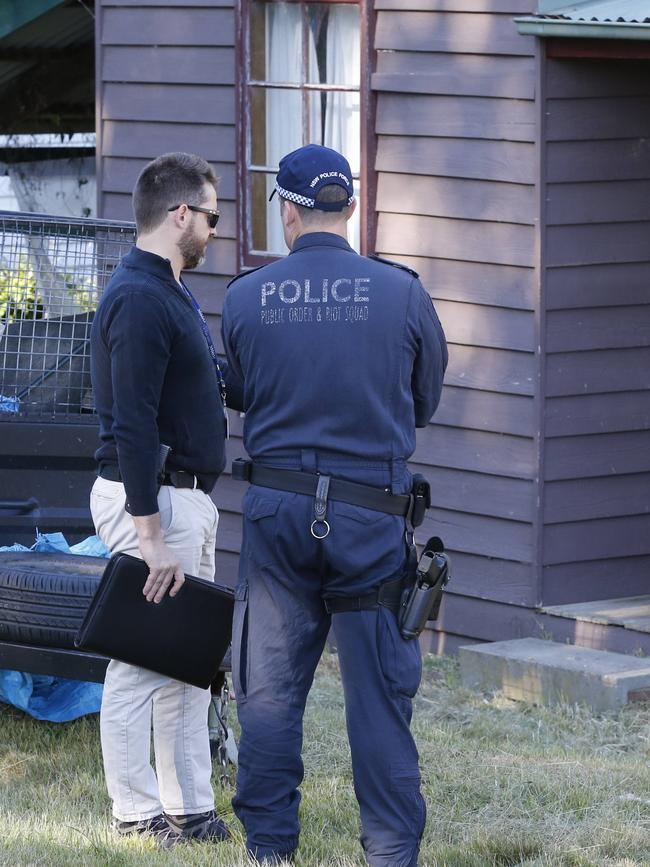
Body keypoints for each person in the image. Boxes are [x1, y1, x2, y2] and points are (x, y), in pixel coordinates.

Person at [221, 143, 448, 866]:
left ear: (287, 211)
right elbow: (426, 400)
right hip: (370, 514)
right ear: (349, 208)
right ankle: (388, 852)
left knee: (268, 693)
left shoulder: (244, 297)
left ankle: (269, 848)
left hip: (278, 513)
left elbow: (242, 391)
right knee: (378, 696)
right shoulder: (402, 292)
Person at [89, 152, 237, 847]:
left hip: (182, 502)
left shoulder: (169, 286)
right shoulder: (140, 297)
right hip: (153, 505)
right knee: (144, 661)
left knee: (186, 660)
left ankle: (190, 808)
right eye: (210, 216)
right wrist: (148, 535)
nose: (214, 230)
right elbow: (133, 423)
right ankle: (137, 813)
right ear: (181, 214)